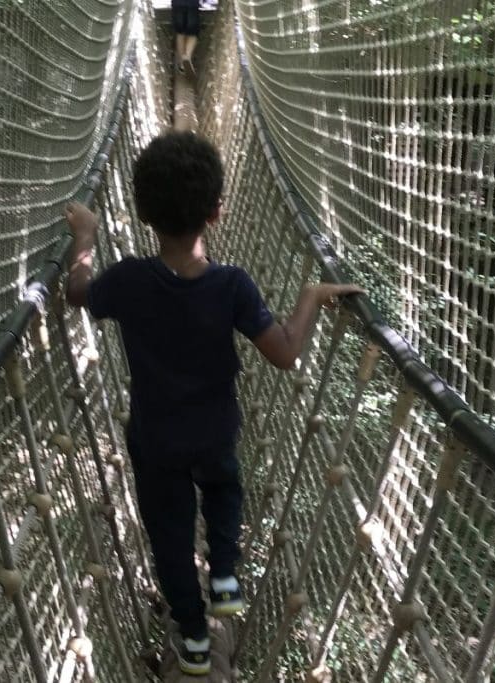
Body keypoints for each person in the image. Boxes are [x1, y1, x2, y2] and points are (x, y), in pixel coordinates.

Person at [63, 132, 364, 676]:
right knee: (225, 490)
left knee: (170, 541)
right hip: (214, 430)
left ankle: (195, 641)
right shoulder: (232, 285)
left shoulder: (129, 280)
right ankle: (225, 573)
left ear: (144, 213)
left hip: (156, 441)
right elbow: (286, 353)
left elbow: (78, 292)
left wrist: (85, 234)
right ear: (217, 213)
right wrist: (311, 297)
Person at [172, 0, 201, 74]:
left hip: (178, 3)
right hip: (193, 4)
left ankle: (182, 62)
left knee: (180, 31)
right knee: (192, 32)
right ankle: (187, 57)